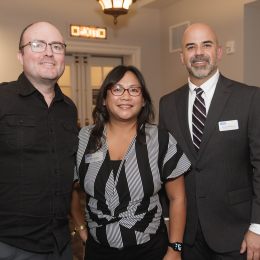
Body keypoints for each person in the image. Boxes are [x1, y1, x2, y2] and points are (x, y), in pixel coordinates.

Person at [159, 23, 260, 260]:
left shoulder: (249, 98)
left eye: (206, 45)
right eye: (191, 47)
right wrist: (166, 217)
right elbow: (164, 166)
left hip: (237, 233)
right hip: (186, 233)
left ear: (219, 52)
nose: (199, 53)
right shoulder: (167, 104)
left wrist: (257, 227)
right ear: (182, 57)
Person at [69, 65, 191, 260]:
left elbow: (178, 199)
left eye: (134, 90)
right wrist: (82, 230)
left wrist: (175, 249)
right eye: (117, 89)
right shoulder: (84, 138)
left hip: (149, 250)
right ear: (103, 98)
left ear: (143, 100)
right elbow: (68, 188)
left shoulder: (161, 140)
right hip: (98, 250)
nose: (126, 96)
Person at [0, 22, 78, 260]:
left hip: (61, 243)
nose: (48, 52)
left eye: (56, 46)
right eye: (37, 44)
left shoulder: (69, 108)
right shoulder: (2, 99)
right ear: (20, 56)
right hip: (11, 245)